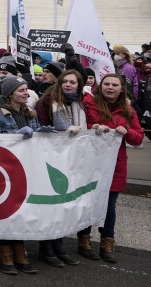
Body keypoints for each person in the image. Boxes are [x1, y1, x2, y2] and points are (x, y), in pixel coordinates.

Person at [77, 74, 144, 263]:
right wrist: (94, 127)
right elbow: (82, 127)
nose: (110, 88)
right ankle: (84, 240)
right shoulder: (88, 104)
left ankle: (107, 243)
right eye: (106, 84)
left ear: (121, 89)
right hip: (91, 162)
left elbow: (138, 138)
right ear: (101, 86)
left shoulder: (128, 110)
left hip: (116, 164)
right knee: (89, 201)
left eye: (114, 85)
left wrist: (127, 132)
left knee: (110, 205)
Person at [0, 75, 43, 275]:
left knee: (21, 210)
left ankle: (19, 250)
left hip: (25, 168)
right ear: (9, 95)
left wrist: (44, 133)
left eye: (26, 90)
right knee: (5, 210)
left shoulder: (29, 113)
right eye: (21, 90)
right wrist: (16, 137)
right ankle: (5, 252)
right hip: (4, 168)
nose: (26, 93)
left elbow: (36, 135)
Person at [33, 69, 86, 267]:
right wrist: (60, 132)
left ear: (79, 85)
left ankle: (59, 244)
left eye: (73, 82)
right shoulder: (47, 101)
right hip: (50, 159)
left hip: (71, 160)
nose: (69, 85)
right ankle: (46, 247)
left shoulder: (78, 103)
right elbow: (40, 128)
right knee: (51, 204)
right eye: (65, 81)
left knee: (65, 203)